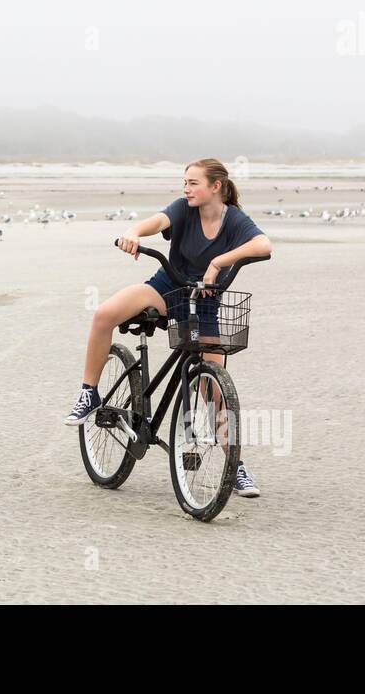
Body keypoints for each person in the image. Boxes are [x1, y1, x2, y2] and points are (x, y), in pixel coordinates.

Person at [63, 157, 273, 497]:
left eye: (193, 183)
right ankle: (89, 392)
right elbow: (157, 220)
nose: (186, 189)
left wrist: (219, 261)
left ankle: (236, 467)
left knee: (216, 395)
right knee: (103, 315)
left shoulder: (233, 220)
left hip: (203, 306)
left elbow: (264, 245)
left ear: (216, 187)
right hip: (166, 289)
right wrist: (132, 232)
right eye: (184, 183)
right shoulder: (182, 210)